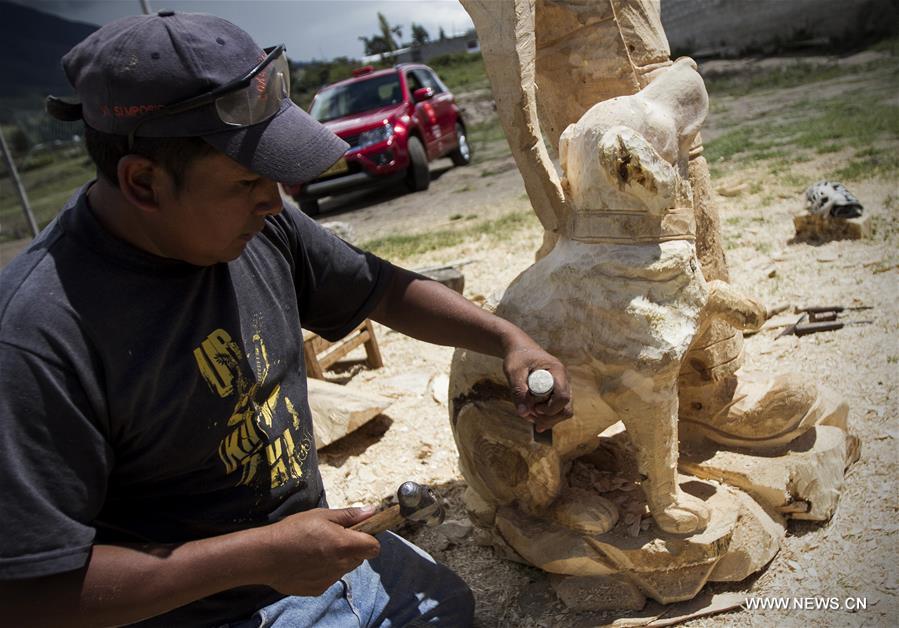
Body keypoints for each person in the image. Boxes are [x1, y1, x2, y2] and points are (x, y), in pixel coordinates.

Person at [0, 11, 572, 627]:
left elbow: (378, 288)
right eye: (248, 179)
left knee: (452, 610)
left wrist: (507, 339)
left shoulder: (261, 225)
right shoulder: (38, 340)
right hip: (198, 612)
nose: (275, 201)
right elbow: (31, 593)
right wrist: (256, 559)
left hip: (305, 565)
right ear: (143, 182)